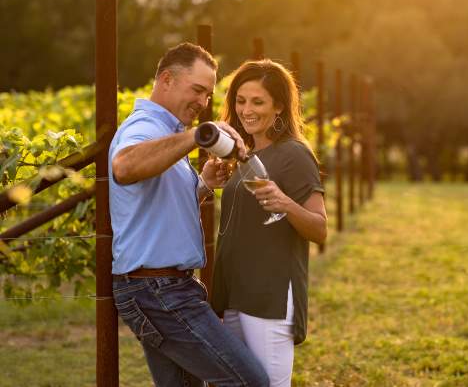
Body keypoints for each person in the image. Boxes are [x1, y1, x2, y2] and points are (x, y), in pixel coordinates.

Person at [108, 42, 269, 387]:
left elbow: (156, 206)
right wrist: (197, 136)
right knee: (248, 381)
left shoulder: (168, 133)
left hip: (164, 287)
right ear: (166, 79)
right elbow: (124, 166)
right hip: (157, 290)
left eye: (208, 95)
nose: (203, 102)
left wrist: (202, 186)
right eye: (197, 90)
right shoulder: (146, 126)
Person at [212, 59, 327, 386]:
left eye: (258, 101)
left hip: (269, 296)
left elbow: (319, 228)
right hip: (234, 294)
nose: (247, 110)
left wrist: (286, 203)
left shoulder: (293, 154)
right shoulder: (243, 154)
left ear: (278, 107)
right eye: (240, 100)